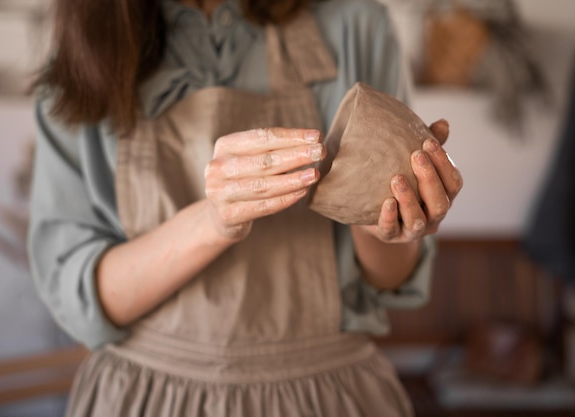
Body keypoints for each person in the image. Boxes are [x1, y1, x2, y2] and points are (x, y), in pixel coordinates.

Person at [28, 0, 463, 416]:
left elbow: (390, 278)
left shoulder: (356, 26)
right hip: (150, 394)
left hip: (325, 393)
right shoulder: (90, 53)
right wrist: (212, 221)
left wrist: (385, 225)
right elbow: (80, 297)